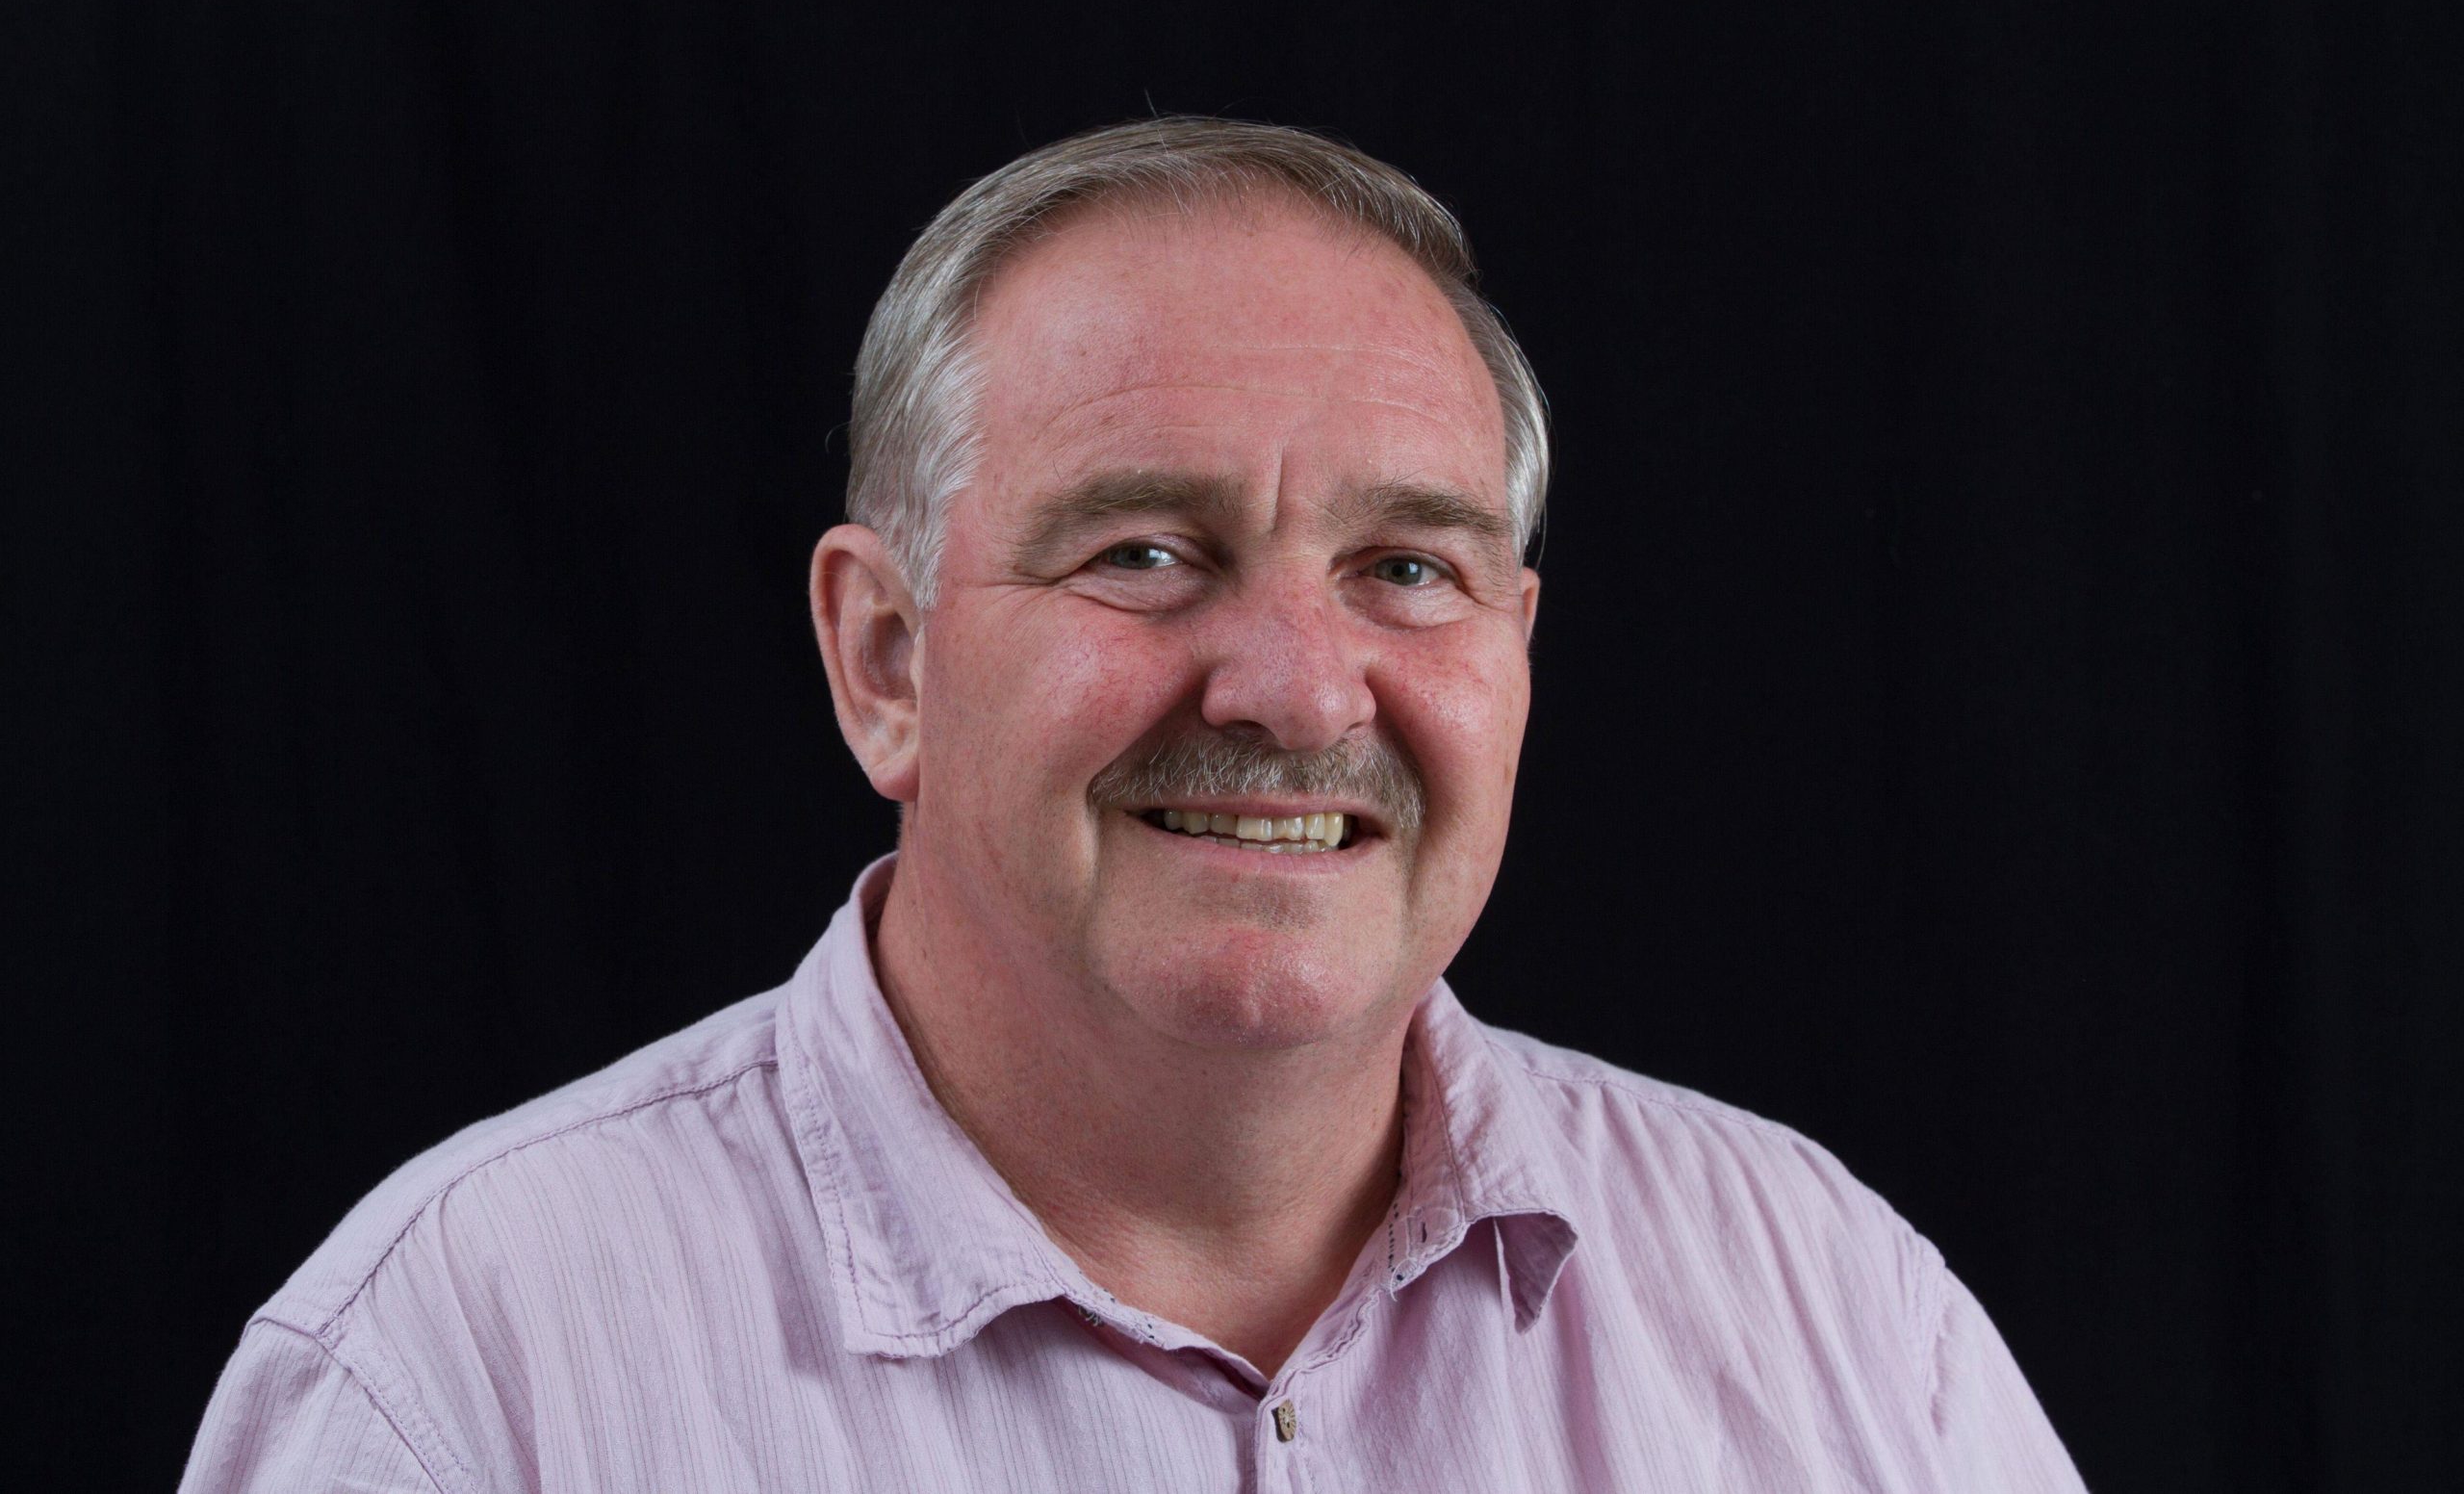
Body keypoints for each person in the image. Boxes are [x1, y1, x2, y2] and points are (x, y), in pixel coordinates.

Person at [180, 118, 2088, 1492]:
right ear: (885, 655)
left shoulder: (1831, 1308)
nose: (1290, 683)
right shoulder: (464, 1369)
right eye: (1148, 548)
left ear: (1510, 651)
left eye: (1403, 568)